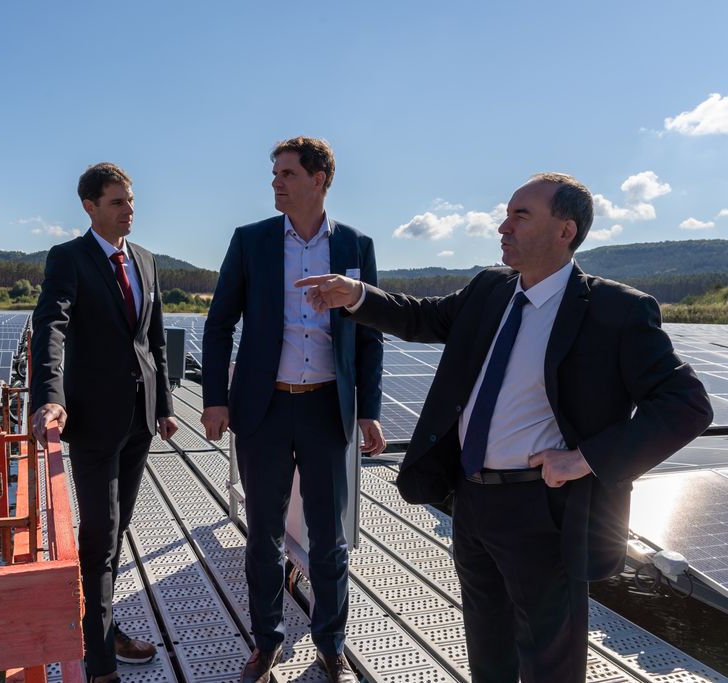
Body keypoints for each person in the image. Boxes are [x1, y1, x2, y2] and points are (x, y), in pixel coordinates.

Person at [297, 172, 713, 683]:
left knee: (549, 660)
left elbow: (686, 404)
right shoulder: (492, 288)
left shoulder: (617, 310)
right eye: (507, 213)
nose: (502, 226)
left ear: (566, 229)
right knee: (488, 648)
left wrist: (583, 459)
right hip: (471, 501)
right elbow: (424, 318)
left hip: (543, 508)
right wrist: (355, 294)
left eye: (520, 215)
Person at [202, 137, 384, 683]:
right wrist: (214, 400)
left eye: (287, 173)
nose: (276, 182)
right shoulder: (252, 240)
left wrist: (368, 410)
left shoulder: (355, 245)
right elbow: (218, 324)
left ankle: (331, 643)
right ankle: (267, 642)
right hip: (264, 409)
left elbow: (370, 333)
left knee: (330, 538)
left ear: (319, 179)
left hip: (329, 408)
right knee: (263, 535)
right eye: (275, 173)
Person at [30, 162, 178, 683]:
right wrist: (48, 397)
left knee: (116, 534)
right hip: (93, 420)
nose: (129, 210)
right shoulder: (68, 259)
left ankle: (103, 624)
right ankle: (97, 666)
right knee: (99, 534)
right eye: (117, 203)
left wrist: (163, 406)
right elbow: (51, 326)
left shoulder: (145, 260)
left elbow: (154, 339)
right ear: (90, 208)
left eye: (131, 201)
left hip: (139, 420)